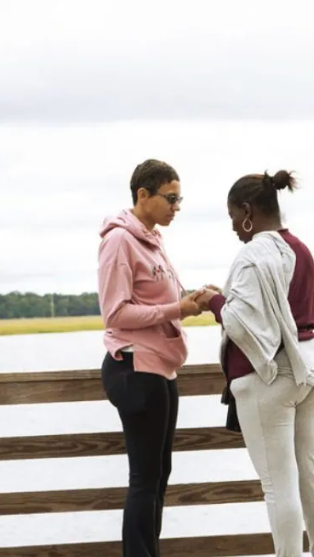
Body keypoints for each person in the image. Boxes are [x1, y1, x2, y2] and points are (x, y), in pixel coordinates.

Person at [195, 170, 314, 557]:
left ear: (247, 211)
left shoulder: (254, 254)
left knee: (278, 485)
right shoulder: (300, 249)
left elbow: (241, 320)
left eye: (232, 219)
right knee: (311, 473)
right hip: (310, 368)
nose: (233, 230)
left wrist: (212, 301)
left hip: (270, 380)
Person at [97, 159, 203, 557]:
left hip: (161, 368)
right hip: (135, 366)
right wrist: (179, 310)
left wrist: (190, 299)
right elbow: (116, 312)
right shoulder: (119, 241)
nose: (177, 206)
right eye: (170, 198)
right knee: (145, 479)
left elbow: (155, 299)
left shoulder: (151, 238)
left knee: (159, 475)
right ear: (143, 195)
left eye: (180, 199)